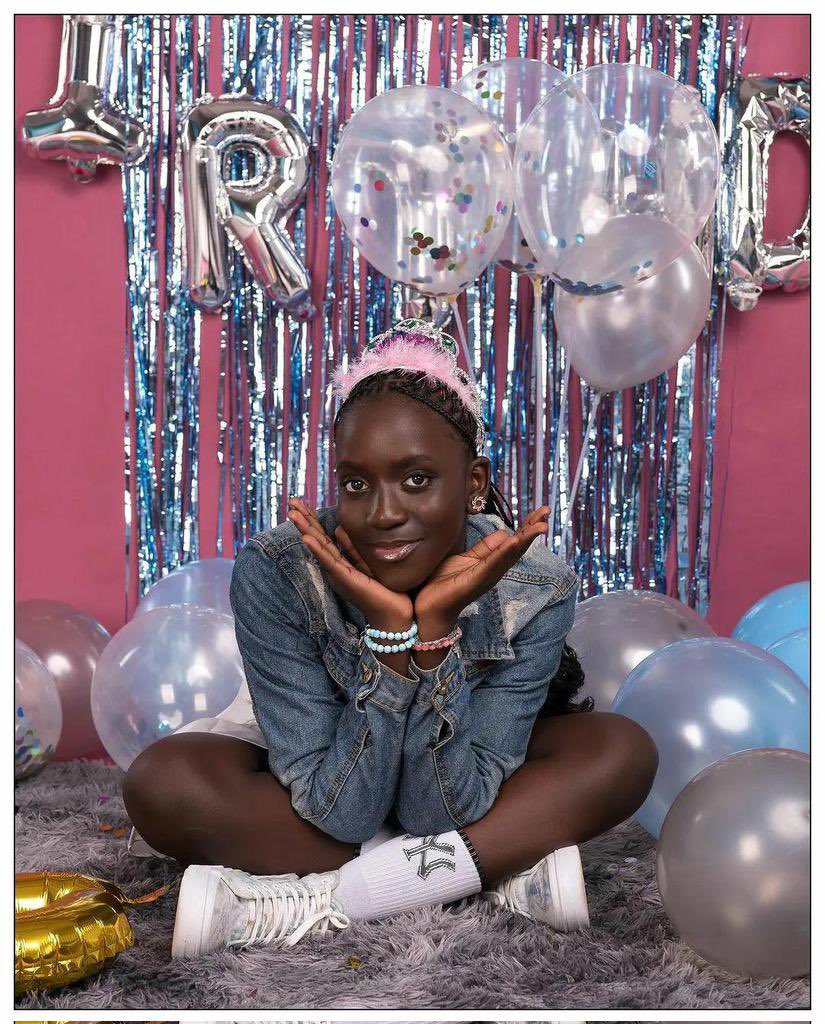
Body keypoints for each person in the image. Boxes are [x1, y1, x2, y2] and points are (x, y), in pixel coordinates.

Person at [123, 318, 657, 958]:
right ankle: (485, 870)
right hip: (320, 776)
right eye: (356, 483)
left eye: (416, 479)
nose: (383, 514)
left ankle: (323, 899)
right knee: (164, 784)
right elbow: (343, 809)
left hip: (465, 774)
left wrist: (432, 634)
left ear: (474, 484)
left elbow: (439, 810)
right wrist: (390, 643)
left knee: (620, 751)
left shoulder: (535, 587)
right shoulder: (279, 570)